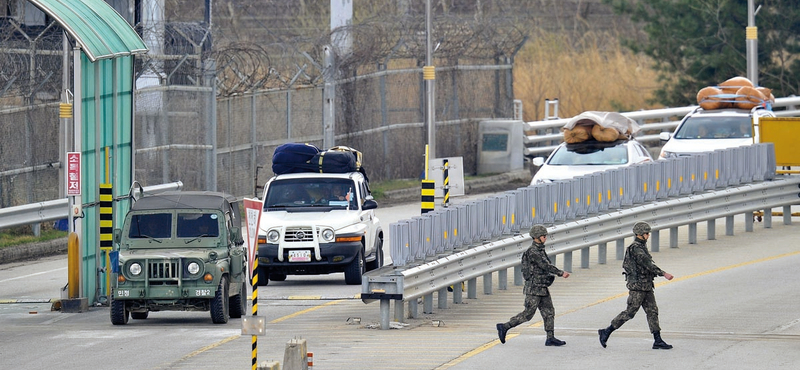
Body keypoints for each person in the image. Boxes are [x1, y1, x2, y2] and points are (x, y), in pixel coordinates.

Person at [598, 221, 675, 350]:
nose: (648, 235)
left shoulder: (641, 246)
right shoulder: (636, 248)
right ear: (640, 234)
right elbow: (647, 264)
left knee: (652, 311)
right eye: (646, 233)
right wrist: (663, 273)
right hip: (638, 286)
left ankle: (658, 340)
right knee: (630, 312)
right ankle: (606, 331)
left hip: (646, 285)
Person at [496, 224, 570, 346]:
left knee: (549, 311)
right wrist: (560, 273)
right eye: (543, 236)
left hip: (542, 287)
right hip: (534, 289)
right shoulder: (533, 252)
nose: (545, 238)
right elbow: (545, 265)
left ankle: (550, 337)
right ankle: (504, 326)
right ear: (536, 237)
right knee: (528, 314)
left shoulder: (539, 249)